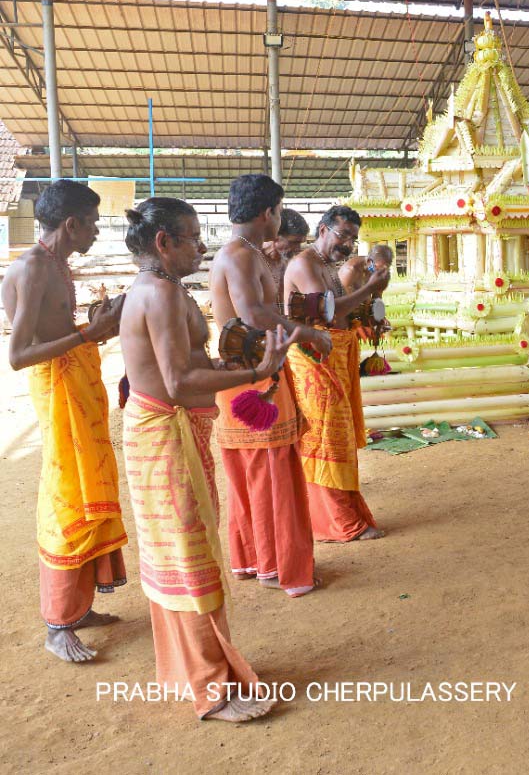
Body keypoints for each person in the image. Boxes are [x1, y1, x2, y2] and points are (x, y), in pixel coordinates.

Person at [120, 197, 297, 721]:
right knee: (187, 553)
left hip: (168, 430)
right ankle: (211, 686)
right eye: (194, 238)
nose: (202, 247)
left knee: (183, 550)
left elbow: (186, 365)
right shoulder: (160, 294)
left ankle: (199, 669)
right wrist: (255, 372)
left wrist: (229, 363)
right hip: (166, 431)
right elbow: (179, 383)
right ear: (163, 243)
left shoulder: (162, 288)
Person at [1, 180, 127, 662]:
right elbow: (18, 356)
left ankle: (79, 606)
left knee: (88, 491)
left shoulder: (57, 263)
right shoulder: (34, 267)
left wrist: (93, 327)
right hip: (57, 393)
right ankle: (57, 624)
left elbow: (58, 330)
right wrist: (88, 335)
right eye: (92, 224)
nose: (96, 232)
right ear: (71, 224)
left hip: (77, 389)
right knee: (67, 498)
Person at [211, 175, 331, 598]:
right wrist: (309, 333)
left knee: (255, 472)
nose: (280, 219)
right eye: (279, 211)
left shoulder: (244, 253)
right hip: (256, 372)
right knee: (270, 471)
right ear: (268, 212)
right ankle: (278, 566)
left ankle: (256, 559)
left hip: (249, 370)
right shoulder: (241, 256)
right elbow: (254, 316)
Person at [284, 205, 389, 542]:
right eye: (343, 235)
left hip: (334, 355)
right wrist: (369, 287)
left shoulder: (329, 265)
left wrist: (369, 316)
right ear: (323, 230)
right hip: (313, 359)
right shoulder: (305, 264)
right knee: (325, 437)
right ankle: (338, 521)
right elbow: (327, 314)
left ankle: (344, 514)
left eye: (352, 239)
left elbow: (344, 315)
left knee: (338, 437)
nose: (347, 244)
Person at [263, 207, 309, 304]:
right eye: (294, 242)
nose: (298, 248)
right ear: (275, 236)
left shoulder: (288, 262)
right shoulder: (254, 259)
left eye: (300, 243)